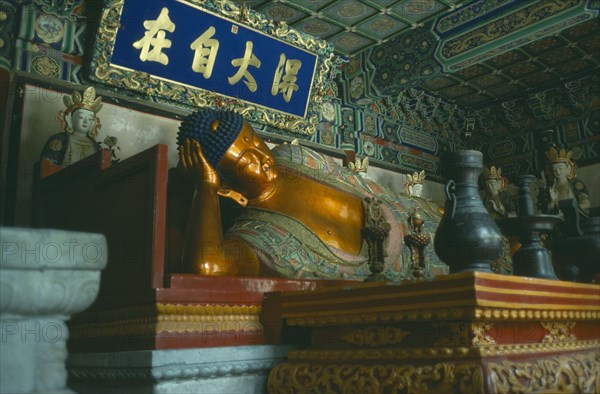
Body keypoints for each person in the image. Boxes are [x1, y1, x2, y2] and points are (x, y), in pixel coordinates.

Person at [176, 108, 447, 280]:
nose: (263, 158)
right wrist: (205, 187)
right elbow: (207, 268)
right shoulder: (255, 237)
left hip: (417, 216)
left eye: (257, 142)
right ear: (226, 187)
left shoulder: (292, 157)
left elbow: (364, 187)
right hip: (406, 281)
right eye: (248, 162)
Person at [40, 86, 102, 166]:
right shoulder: (59, 140)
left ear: (93, 123)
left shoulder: (96, 146)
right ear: (69, 119)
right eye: (81, 117)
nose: (86, 121)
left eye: (90, 119)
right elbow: (47, 165)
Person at [544, 147, 590, 216]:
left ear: (568, 168)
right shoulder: (551, 187)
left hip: (576, 217)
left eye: (560, 168)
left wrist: (571, 211)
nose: (558, 172)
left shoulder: (576, 184)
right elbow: (549, 211)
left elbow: (586, 203)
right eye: (554, 170)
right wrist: (552, 201)